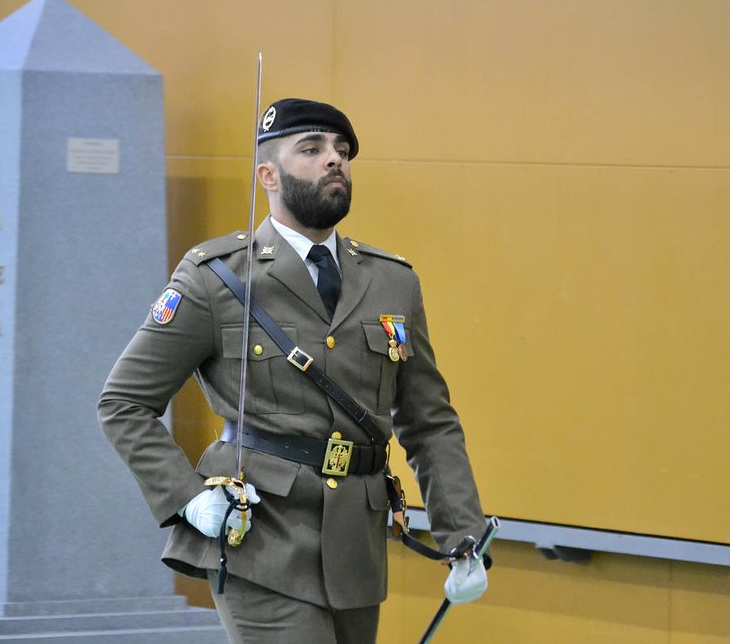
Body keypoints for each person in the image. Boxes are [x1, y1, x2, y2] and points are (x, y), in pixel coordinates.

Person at [98, 98, 489, 643]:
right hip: (260, 540)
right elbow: (123, 403)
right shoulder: (216, 278)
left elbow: (429, 421)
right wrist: (187, 497)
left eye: (342, 151)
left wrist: (462, 536)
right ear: (268, 175)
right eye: (312, 149)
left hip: (357, 545)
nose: (334, 160)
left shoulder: (392, 281)